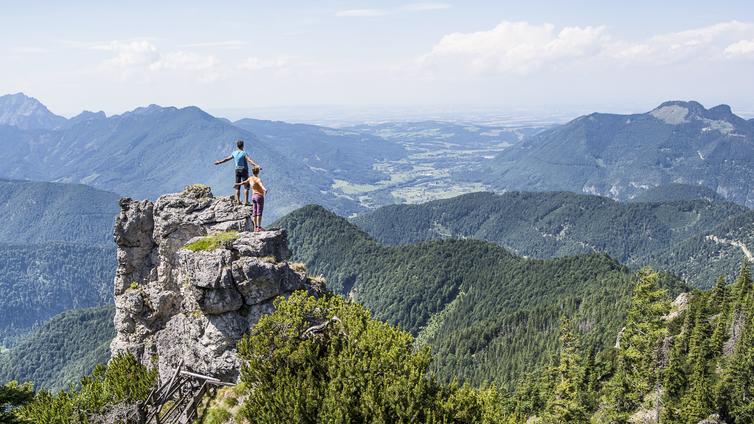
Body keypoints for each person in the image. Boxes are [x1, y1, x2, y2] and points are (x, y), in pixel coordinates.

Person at [214, 140, 260, 205]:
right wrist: (256, 165)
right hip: (244, 170)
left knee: (237, 185)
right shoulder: (244, 153)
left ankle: (238, 201)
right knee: (246, 186)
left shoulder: (234, 153)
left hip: (237, 170)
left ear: (237, 146)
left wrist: (219, 162)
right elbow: (249, 160)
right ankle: (246, 202)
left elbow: (227, 159)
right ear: (243, 146)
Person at [235, 166, 268, 231]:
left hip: (253, 197)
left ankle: (255, 227)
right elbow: (261, 185)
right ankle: (259, 227)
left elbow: (244, 182)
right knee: (259, 212)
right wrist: (265, 190)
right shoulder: (258, 179)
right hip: (259, 196)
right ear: (258, 172)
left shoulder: (250, 178)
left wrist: (238, 184)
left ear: (253, 172)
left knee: (254, 212)